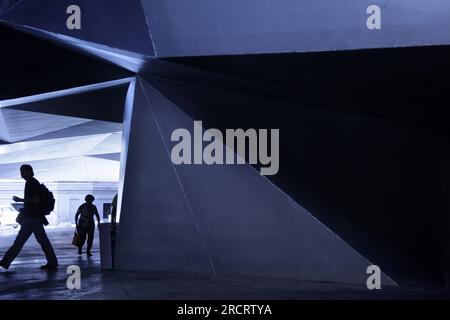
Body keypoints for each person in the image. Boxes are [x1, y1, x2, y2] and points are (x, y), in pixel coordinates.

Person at [0, 165, 58, 270]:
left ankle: (5, 262)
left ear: (30, 172)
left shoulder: (32, 183)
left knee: (20, 242)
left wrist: (20, 200)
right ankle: (52, 262)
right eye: (21, 172)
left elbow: (35, 200)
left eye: (24, 172)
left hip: (32, 218)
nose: (22, 174)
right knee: (41, 241)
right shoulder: (31, 182)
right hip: (33, 218)